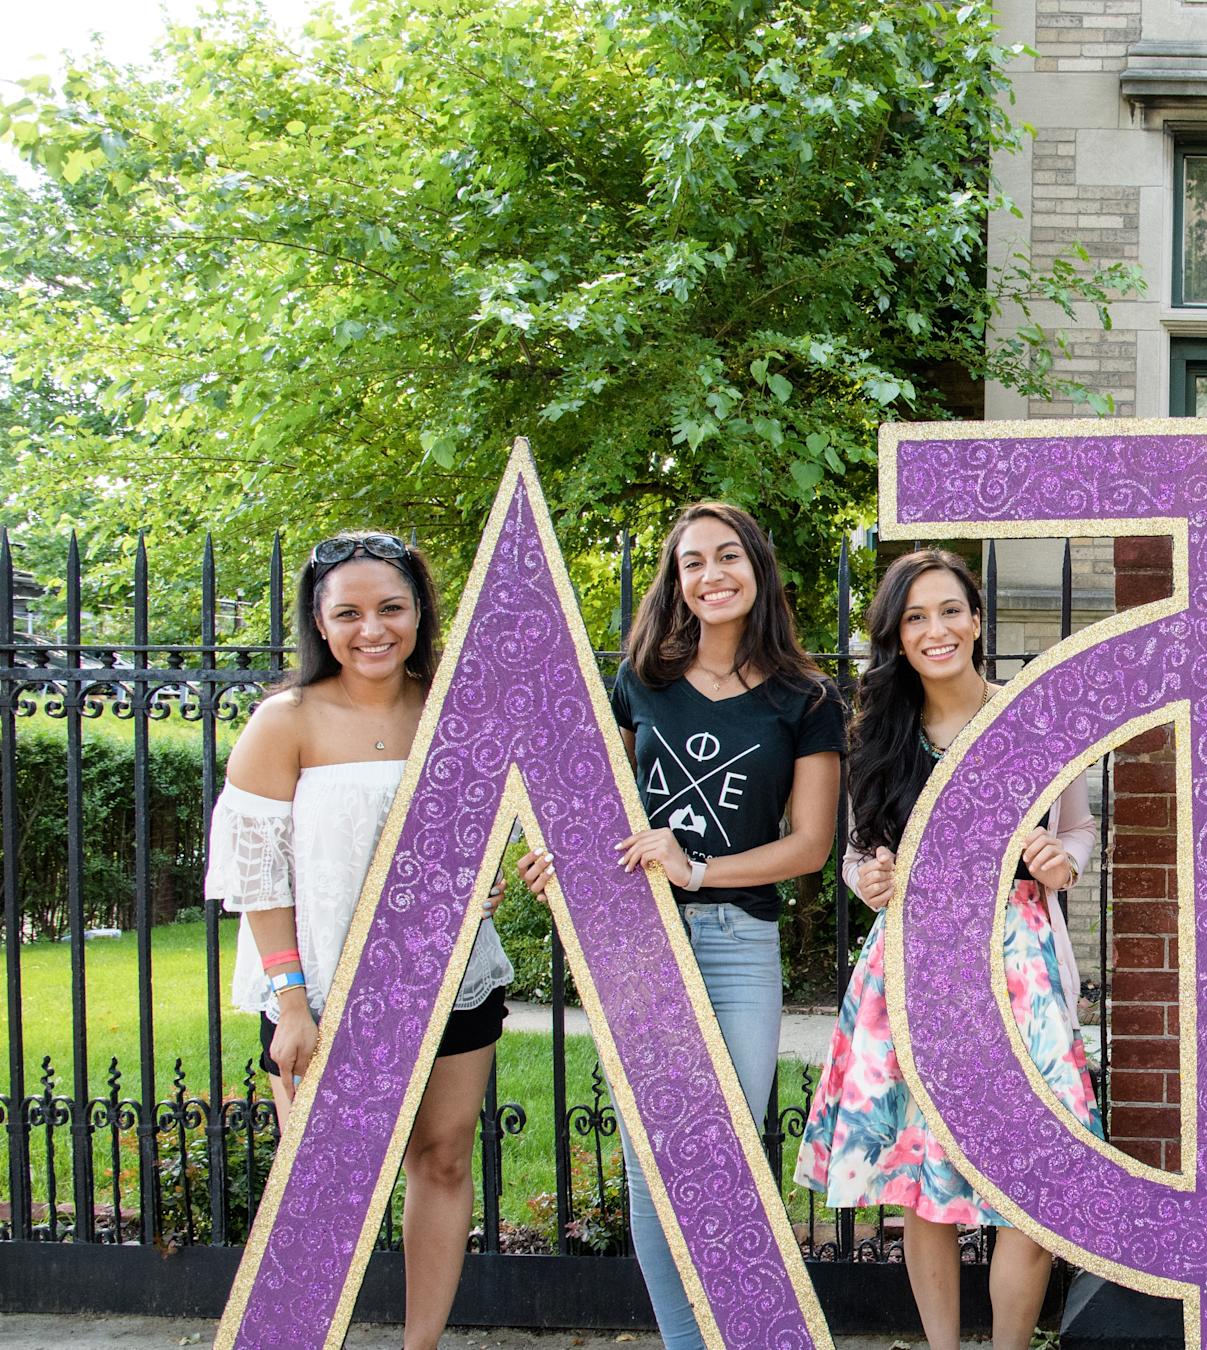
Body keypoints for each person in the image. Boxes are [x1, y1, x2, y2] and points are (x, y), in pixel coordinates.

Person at [515, 503, 843, 1350]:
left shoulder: (806, 699)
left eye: (728, 556)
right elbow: (593, 812)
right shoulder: (640, 682)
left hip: (738, 941)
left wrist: (698, 869)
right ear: (678, 582)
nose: (711, 575)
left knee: (730, 1150)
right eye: (692, 562)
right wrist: (563, 863)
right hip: (639, 940)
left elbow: (808, 847)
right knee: (652, 1157)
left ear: (758, 569)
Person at [206, 531, 514, 1350]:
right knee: (325, 1188)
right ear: (319, 621)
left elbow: (486, 834)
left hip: (456, 985)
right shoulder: (286, 721)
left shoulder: (455, 709)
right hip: (319, 996)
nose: (372, 629)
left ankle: (420, 1346)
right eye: (348, 613)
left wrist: (490, 876)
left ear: (419, 613)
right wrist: (291, 1006)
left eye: (391, 608)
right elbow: (259, 883)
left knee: (443, 1160)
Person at [797, 548, 1097, 1350]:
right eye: (916, 616)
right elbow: (859, 851)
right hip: (913, 965)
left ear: (977, 619)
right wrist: (870, 876)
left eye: (950, 611)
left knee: (1035, 1181)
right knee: (919, 1181)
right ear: (898, 634)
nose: (937, 629)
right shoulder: (877, 733)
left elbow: (1077, 828)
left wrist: (1065, 858)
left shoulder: (1030, 716)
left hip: (1018, 966)